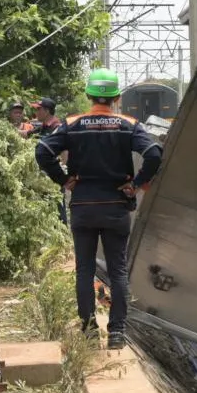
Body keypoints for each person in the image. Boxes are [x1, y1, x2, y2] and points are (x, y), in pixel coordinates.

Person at [33, 68, 163, 350]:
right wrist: (137, 184)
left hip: (83, 206)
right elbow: (153, 153)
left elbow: (42, 151)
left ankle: (89, 330)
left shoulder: (72, 123)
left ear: (89, 95)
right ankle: (117, 333)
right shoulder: (129, 124)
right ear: (116, 97)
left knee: (85, 269)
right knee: (117, 271)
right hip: (116, 207)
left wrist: (64, 179)